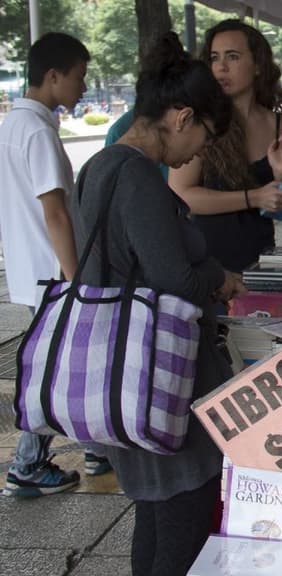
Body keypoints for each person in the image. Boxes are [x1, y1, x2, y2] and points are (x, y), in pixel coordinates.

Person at [73, 32, 243, 575]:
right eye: (204, 137)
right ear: (181, 116)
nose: (198, 153)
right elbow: (175, 282)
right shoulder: (139, 177)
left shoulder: (101, 165)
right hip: (161, 380)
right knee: (184, 522)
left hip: (124, 374)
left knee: (155, 517)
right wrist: (217, 279)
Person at [0, 32, 111, 499]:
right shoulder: (40, 131)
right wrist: (76, 278)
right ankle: (28, 463)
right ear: (53, 76)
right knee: (55, 370)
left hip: (29, 269)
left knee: (61, 365)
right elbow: (56, 211)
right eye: (79, 77)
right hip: (53, 273)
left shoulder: (9, 124)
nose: (83, 88)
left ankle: (94, 447)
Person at [169, 19, 282, 273]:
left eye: (233, 57)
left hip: (262, 258)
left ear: (258, 65)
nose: (221, 67)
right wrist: (254, 197)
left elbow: (280, 207)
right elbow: (181, 194)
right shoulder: (199, 120)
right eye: (214, 58)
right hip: (208, 265)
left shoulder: (277, 123)